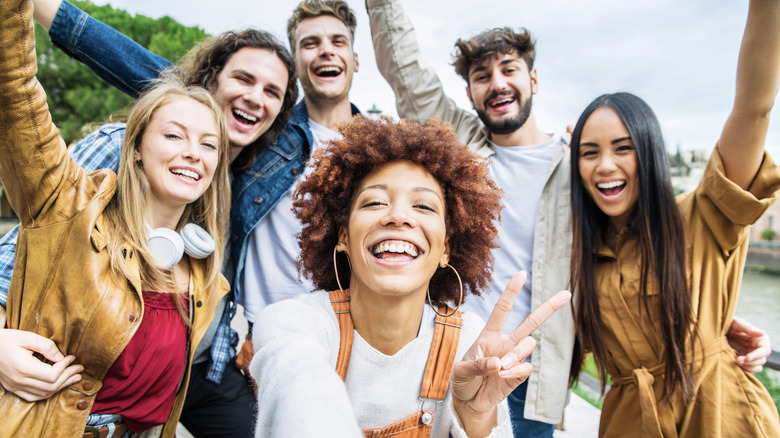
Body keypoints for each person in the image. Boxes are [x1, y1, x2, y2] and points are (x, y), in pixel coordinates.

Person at [366, 1, 776, 435]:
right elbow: (407, 72)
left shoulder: (579, 170)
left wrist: (705, 320)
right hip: (447, 354)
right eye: (482, 76)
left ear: (534, 79)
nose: (498, 83)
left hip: (532, 374)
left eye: (509, 69)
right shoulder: (458, 146)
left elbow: (637, 247)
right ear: (469, 94)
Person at [12, 0, 366, 377]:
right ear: (297, 64)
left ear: (356, 58)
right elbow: (165, 82)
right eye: (310, 43)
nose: (326, 50)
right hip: (240, 337)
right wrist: (41, 8)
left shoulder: (378, 145)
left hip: (337, 329)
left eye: (337, 41)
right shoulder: (276, 136)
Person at [0, 0, 297, 435]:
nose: (193, 152)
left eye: (207, 145)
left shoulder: (204, 249)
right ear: (136, 148)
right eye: (174, 135)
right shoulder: (80, 198)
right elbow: (16, 94)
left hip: (184, 381)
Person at [248, 116, 571, 437]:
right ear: (343, 237)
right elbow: (299, 390)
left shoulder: (471, 345)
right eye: (375, 202)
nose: (399, 216)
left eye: (424, 207)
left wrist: (476, 417)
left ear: (446, 249)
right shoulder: (294, 322)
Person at [568, 0, 780, 435]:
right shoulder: (581, 255)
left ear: (649, 153)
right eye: (590, 153)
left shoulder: (705, 216)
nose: (605, 165)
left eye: (623, 148)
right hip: (630, 421)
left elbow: (753, 107)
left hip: (722, 415)